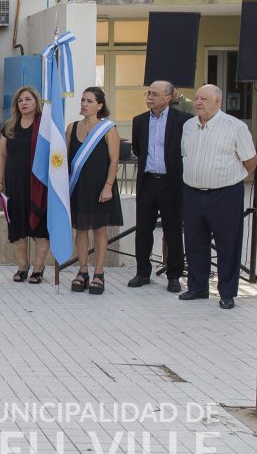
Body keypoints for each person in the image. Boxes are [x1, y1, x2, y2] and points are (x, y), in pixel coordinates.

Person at [179, 84, 257, 310]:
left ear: (218, 102)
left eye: (204, 98)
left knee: (227, 244)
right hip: (193, 193)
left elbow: (250, 160)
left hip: (225, 194)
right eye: (196, 98)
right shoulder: (188, 126)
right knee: (194, 242)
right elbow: (186, 155)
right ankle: (197, 287)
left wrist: (234, 178)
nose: (198, 102)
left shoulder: (235, 127)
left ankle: (227, 292)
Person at [129, 81, 191, 292]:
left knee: (173, 230)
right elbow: (138, 149)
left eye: (154, 94)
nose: (149, 97)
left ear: (168, 98)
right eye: (148, 93)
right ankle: (142, 272)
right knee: (143, 230)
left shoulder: (183, 120)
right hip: (147, 182)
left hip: (171, 182)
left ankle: (174, 275)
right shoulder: (139, 121)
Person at [65, 87, 122, 295]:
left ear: (99, 105)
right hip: (79, 186)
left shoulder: (108, 129)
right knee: (80, 229)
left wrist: (108, 186)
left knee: (99, 229)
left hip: (100, 187)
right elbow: (64, 157)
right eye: (82, 100)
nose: (84, 104)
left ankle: (98, 272)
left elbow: (114, 160)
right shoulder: (72, 128)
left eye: (89, 101)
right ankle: (82, 271)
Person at [0, 86, 50, 283]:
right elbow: (1, 155)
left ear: (37, 102)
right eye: (20, 100)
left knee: (40, 227)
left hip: (38, 185)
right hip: (14, 184)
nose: (24, 103)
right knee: (16, 227)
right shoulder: (9, 126)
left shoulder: (45, 126)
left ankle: (39, 268)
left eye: (28, 99)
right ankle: (23, 266)